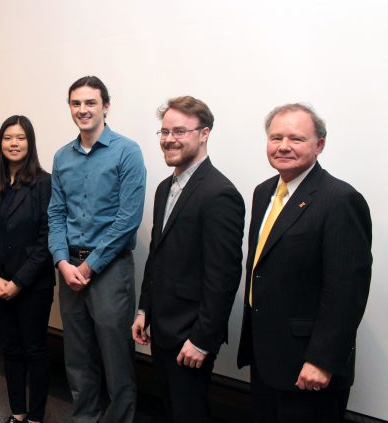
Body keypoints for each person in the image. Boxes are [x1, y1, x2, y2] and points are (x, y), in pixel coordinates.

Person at [237, 104, 372, 423]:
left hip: (309, 366)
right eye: (276, 137)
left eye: (296, 138)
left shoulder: (339, 199)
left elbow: (346, 290)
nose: (283, 146)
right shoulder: (263, 192)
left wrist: (322, 360)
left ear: (319, 145)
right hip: (267, 358)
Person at [131, 96, 245, 422]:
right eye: (164, 132)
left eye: (179, 131)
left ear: (204, 133)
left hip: (190, 335)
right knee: (170, 408)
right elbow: (158, 253)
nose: (169, 139)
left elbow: (223, 275)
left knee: (189, 413)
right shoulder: (165, 187)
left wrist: (202, 340)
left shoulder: (219, 193)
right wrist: (144, 309)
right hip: (163, 326)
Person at [48, 76, 146, 423]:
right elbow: (56, 214)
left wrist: (89, 268)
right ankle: (84, 418)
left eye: (90, 103)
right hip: (69, 268)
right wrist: (62, 261)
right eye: (76, 103)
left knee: (116, 357)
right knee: (77, 356)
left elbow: (127, 220)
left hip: (108, 270)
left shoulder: (127, 151)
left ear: (106, 106)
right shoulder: (62, 156)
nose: (83, 110)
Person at [0, 115, 55, 423]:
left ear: (30, 142)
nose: (14, 143)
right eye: (8, 137)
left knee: (34, 350)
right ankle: (18, 413)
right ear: (0, 143)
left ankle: (35, 417)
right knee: (10, 349)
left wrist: (18, 282)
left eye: (21, 138)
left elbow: (47, 238)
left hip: (33, 285)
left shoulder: (45, 183)